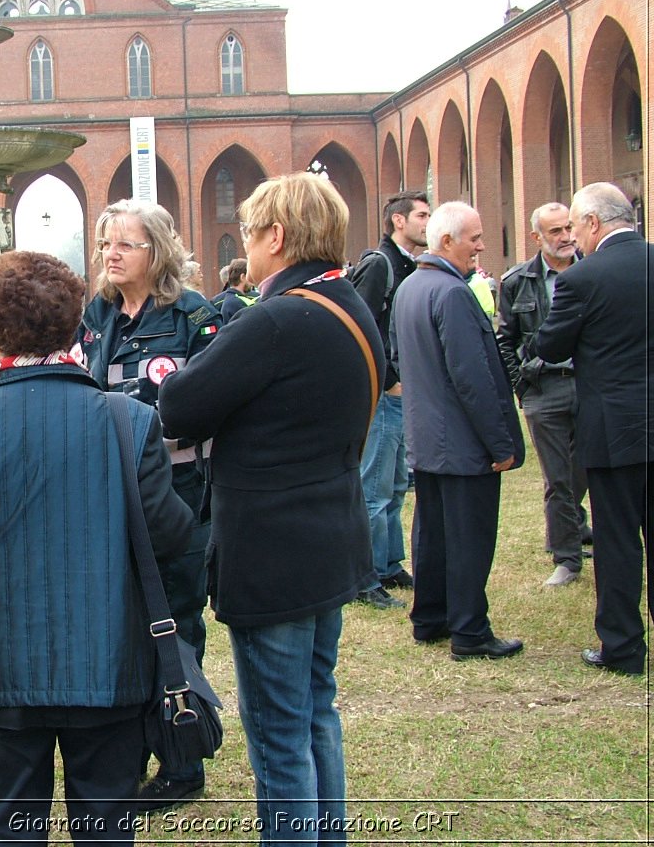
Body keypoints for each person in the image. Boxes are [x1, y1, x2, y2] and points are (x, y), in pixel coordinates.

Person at [0, 250, 193, 846]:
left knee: (11, 834)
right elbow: (175, 540)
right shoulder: (129, 421)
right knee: (106, 830)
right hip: (108, 666)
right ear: (75, 326)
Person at [159, 173, 382, 843]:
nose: (248, 250)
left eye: (252, 234)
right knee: (316, 716)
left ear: (277, 237)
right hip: (329, 538)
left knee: (281, 736)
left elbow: (180, 405)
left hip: (273, 552)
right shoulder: (348, 301)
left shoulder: (279, 318)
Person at [75, 198, 221, 809]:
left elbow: (216, 403)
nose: (110, 253)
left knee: (177, 624)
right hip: (110, 496)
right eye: (105, 242)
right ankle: (131, 748)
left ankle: (182, 762)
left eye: (124, 244)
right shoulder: (97, 314)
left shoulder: (194, 317)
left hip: (176, 495)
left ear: (156, 251)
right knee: (121, 624)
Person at [537, 182, 654, 676]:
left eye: (576, 225)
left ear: (595, 223)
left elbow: (552, 346)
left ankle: (622, 647)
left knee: (618, 539)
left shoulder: (583, 279)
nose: (573, 236)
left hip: (614, 427)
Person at [390, 202, 525, 661]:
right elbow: (473, 377)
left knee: (433, 533)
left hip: (429, 439)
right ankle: (470, 631)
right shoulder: (451, 293)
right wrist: (500, 443)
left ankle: (430, 618)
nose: (482, 246)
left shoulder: (411, 287)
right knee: (469, 537)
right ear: (447, 242)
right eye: (475, 238)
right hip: (463, 444)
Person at [496, 203, 590, 587]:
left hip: (588, 385)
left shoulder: (591, 273)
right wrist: (523, 384)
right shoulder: (518, 280)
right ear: (537, 237)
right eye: (555, 231)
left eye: (569, 227)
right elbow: (505, 340)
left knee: (584, 470)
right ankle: (566, 559)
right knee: (557, 479)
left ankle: (572, 528)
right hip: (543, 390)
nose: (566, 236)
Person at [349, 190, 430, 609]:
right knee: (374, 486)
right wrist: (389, 379)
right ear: (398, 221)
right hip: (382, 395)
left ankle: (389, 563)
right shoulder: (380, 264)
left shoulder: (409, 264)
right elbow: (362, 327)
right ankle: (366, 577)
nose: (427, 222)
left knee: (397, 484)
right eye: (421, 215)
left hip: (400, 396)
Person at [212, 257, 257, 323]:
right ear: (242, 277)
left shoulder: (230, 299)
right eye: (249, 276)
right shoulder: (239, 302)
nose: (252, 281)